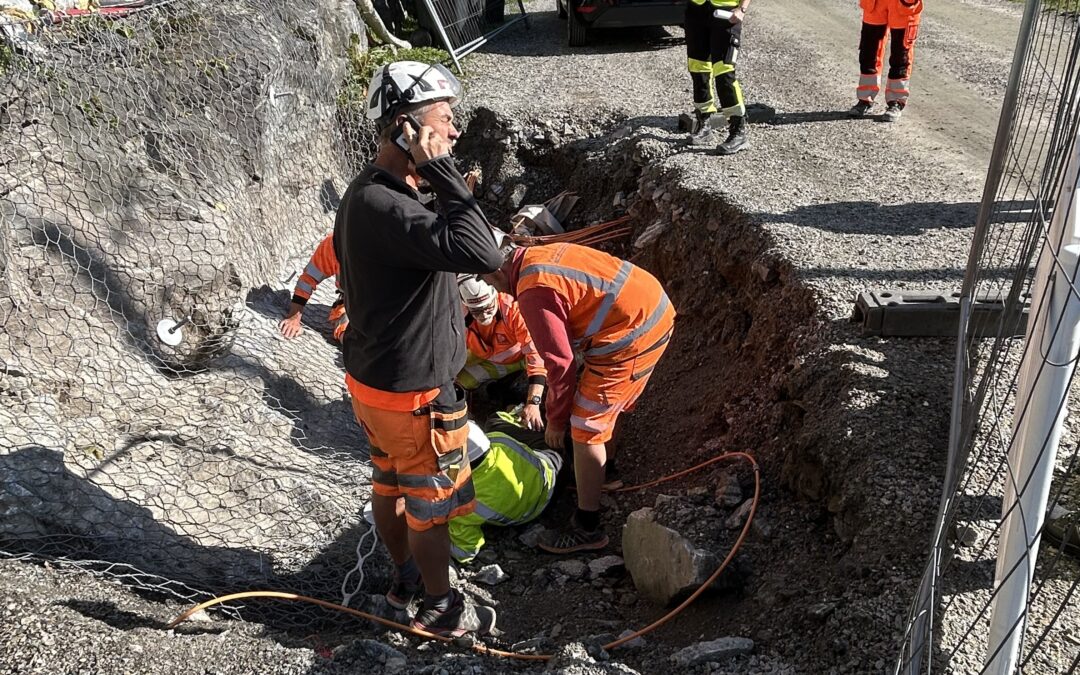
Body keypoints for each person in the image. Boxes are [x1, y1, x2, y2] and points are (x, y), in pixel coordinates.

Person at [334, 60, 503, 637]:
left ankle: (403, 576)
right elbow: (486, 255)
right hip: (414, 398)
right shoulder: (391, 206)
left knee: (388, 482)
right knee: (431, 504)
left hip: (376, 385)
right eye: (444, 121)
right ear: (407, 128)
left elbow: (440, 242)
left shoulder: (371, 193)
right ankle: (439, 604)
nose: (454, 133)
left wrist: (436, 182)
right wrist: (448, 175)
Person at [484, 240, 676, 554]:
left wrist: (557, 422)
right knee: (603, 409)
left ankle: (588, 526)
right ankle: (604, 473)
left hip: (629, 333)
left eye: (492, 282)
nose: (500, 292)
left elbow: (560, 365)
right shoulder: (536, 256)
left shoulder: (532, 291)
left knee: (586, 427)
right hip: (647, 307)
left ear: (497, 272)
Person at [449, 411, 563, 564]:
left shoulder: (463, 503)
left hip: (529, 514)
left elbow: (464, 552)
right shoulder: (500, 440)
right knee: (495, 421)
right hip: (553, 472)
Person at [456, 275, 547, 431]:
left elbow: (535, 354)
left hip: (521, 358)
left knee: (550, 373)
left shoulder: (513, 310)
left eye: (488, 308)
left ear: (495, 297)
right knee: (456, 384)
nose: (484, 315)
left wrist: (533, 402)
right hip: (490, 361)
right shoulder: (457, 316)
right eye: (477, 312)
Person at [685, 0, 751, 155]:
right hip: (697, 10)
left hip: (726, 14)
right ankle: (704, 123)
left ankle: (738, 131)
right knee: (698, 68)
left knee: (724, 72)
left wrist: (742, 9)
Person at [848, 0, 923, 122]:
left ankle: (896, 101)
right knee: (869, 51)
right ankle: (865, 99)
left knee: (901, 53)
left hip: (904, 4)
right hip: (875, 4)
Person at [279, 233, 349, 341]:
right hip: (351, 305)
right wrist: (294, 316)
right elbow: (308, 279)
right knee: (350, 336)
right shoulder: (335, 244)